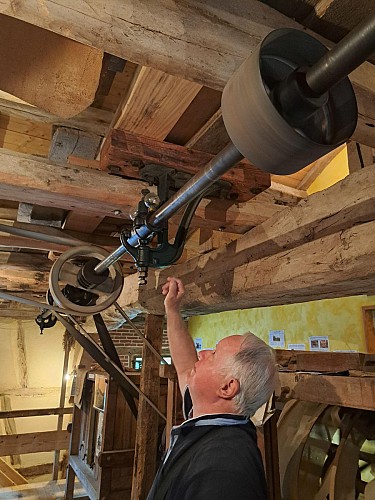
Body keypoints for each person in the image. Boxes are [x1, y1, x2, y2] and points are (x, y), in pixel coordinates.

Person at [147, 277, 277, 500]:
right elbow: (185, 366)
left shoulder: (224, 468)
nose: (202, 353)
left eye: (214, 354)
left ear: (227, 387)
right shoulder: (210, 418)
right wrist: (173, 310)